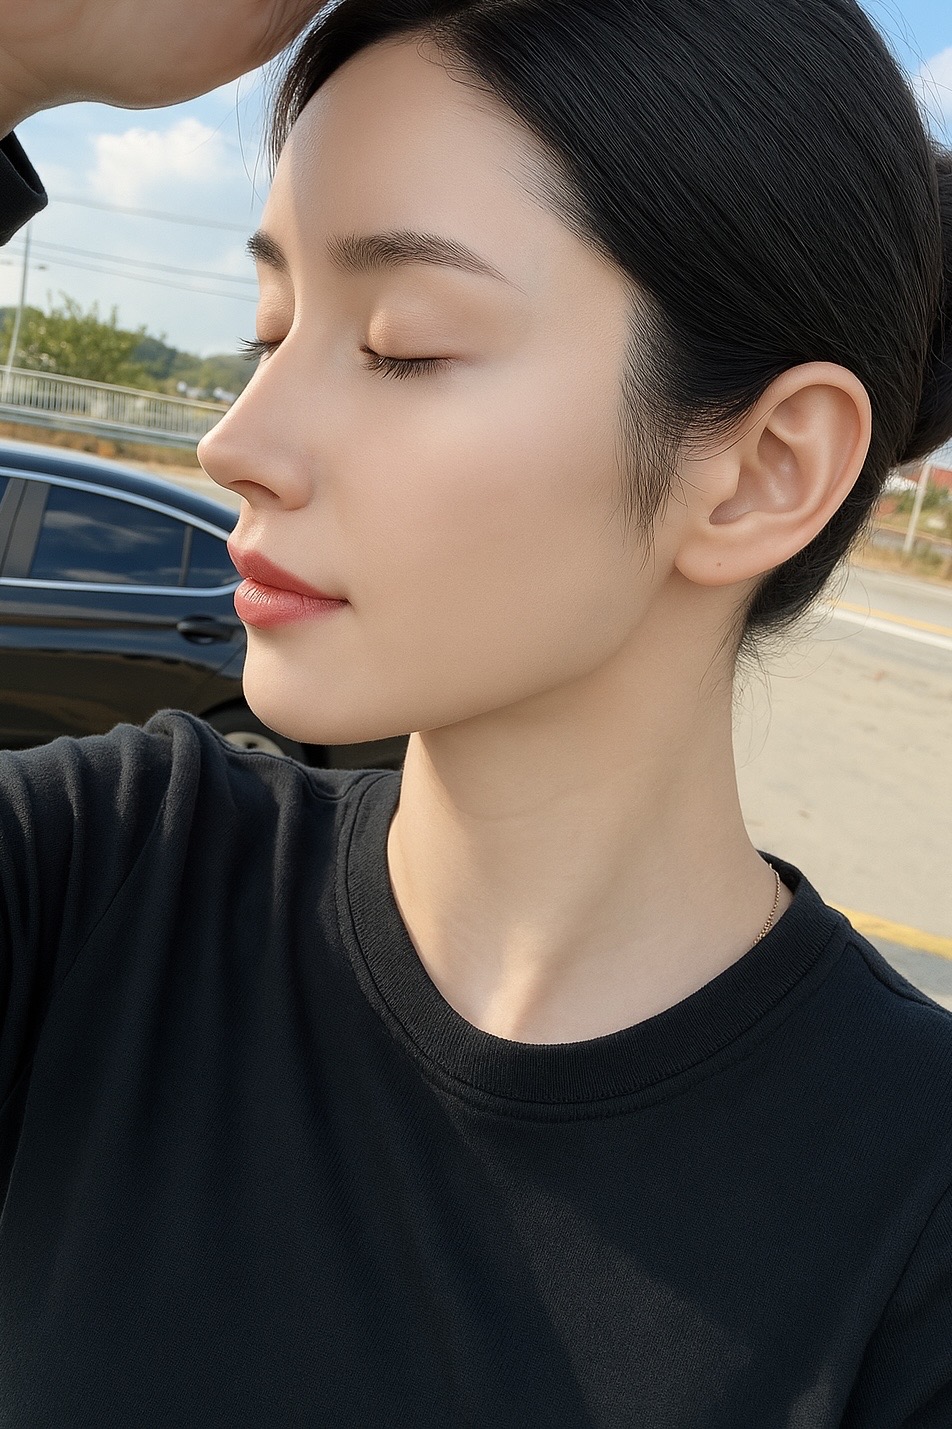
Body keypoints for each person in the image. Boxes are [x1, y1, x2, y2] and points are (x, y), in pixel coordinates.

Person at [1, 0, 951, 1422]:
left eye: (402, 345)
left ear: (765, 468)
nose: (235, 440)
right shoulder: (104, 876)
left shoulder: (916, 1214)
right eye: (270, 330)